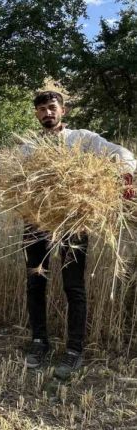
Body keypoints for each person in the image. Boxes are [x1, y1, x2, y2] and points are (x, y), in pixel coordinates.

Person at [23, 91, 136, 379]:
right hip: (35, 223)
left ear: (64, 110)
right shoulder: (29, 147)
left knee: (73, 286)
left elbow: (122, 154)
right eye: (42, 109)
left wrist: (124, 176)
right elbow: (16, 182)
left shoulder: (82, 139)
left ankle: (74, 350)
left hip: (73, 223)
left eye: (52, 107)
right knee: (36, 282)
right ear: (36, 114)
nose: (47, 113)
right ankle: (39, 342)